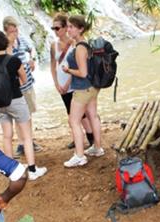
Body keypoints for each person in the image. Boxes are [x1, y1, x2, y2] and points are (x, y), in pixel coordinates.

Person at [0, 29, 47, 180]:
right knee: (26, 136)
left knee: (7, 136)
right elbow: (25, 80)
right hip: (15, 100)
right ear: (5, 42)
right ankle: (32, 170)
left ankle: (11, 171)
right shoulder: (13, 60)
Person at [62, 15, 104, 167]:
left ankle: (79, 155)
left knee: (73, 121)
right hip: (92, 87)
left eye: (72, 27)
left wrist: (68, 70)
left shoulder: (80, 48)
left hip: (82, 88)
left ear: (80, 28)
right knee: (93, 116)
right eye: (68, 26)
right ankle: (97, 148)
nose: (69, 29)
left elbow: (83, 72)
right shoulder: (86, 44)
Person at [50, 12, 94, 150]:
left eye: (57, 28)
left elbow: (78, 66)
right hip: (62, 84)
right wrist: (57, 84)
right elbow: (53, 66)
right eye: (53, 29)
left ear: (65, 28)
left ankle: (89, 138)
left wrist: (67, 83)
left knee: (80, 115)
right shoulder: (53, 45)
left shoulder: (75, 44)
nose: (55, 31)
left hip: (73, 82)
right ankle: (79, 138)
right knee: (71, 113)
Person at [2, 16, 42, 158]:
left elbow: (32, 50)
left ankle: (29, 141)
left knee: (28, 115)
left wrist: (33, 60)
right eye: (12, 31)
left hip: (28, 84)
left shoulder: (22, 40)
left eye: (16, 30)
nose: (15, 33)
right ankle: (22, 143)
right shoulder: (5, 45)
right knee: (20, 116)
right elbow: (8, 62)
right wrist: (10, 45)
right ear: (6, 31)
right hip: (15, 88)